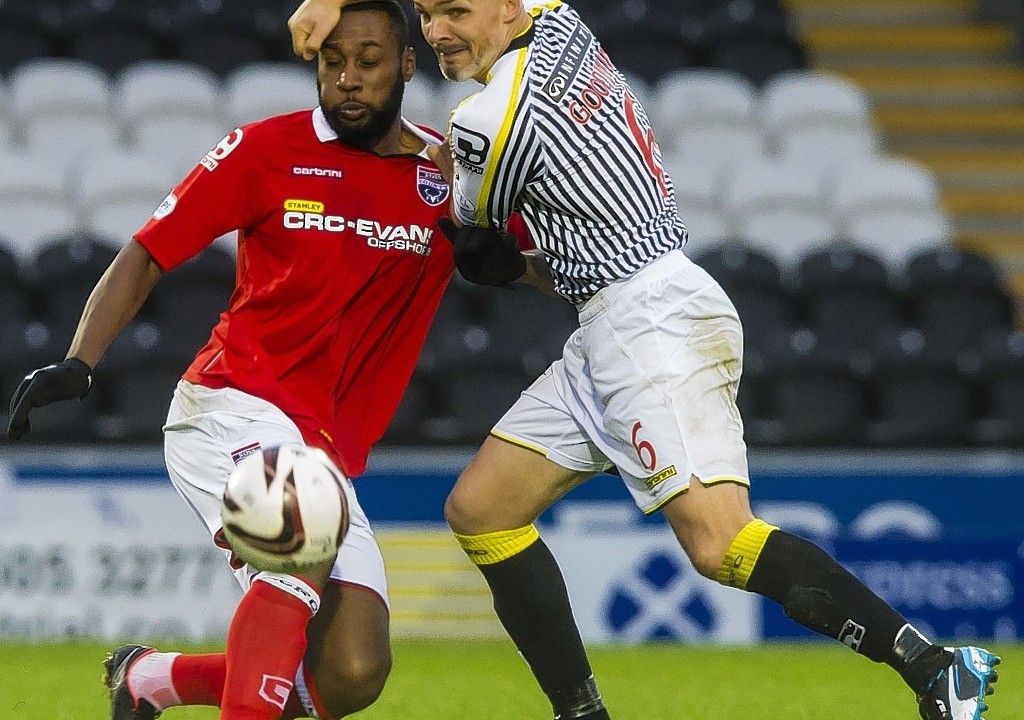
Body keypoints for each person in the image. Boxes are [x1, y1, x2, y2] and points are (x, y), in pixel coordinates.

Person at [288, 1, 1002, 720]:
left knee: (719, 541)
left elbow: (478, 250)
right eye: (427, 13)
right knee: (482, 510)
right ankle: (582, 712)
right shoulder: (558, 19)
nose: (437, 31)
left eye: (457, 12)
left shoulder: (484, 119)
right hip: (617, 315)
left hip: (648, 321)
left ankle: (936, 667)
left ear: (506, 10)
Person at [6, 3, 454, 719]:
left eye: (368, 62)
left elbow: (533, 263)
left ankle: (150, 678)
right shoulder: (264, 149)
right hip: (234, 400)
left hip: (325, 445)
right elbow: (148, 252)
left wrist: (501, 243)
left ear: (406, 65)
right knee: (296, 545)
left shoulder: (447, 176)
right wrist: (80, 360)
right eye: (331, 61)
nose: (346, 79)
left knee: (352, 669)